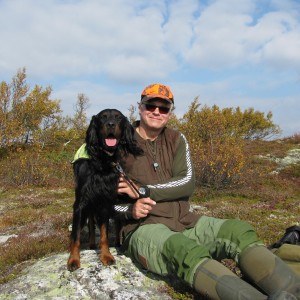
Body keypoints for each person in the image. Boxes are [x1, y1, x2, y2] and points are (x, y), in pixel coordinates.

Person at [114, 83, 300, 300]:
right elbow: (100, 199)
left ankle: (292, 292)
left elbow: (186, 182)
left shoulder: (176, 139)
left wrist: (144, 191)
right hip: (144, 228)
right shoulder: (118, 143)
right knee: (184, 251)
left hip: (185, 221)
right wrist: (130, 210)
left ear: (170, 112)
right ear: (140, 106)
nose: (156, 111)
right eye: (150, 105)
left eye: (163, 108)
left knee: (237, 231)